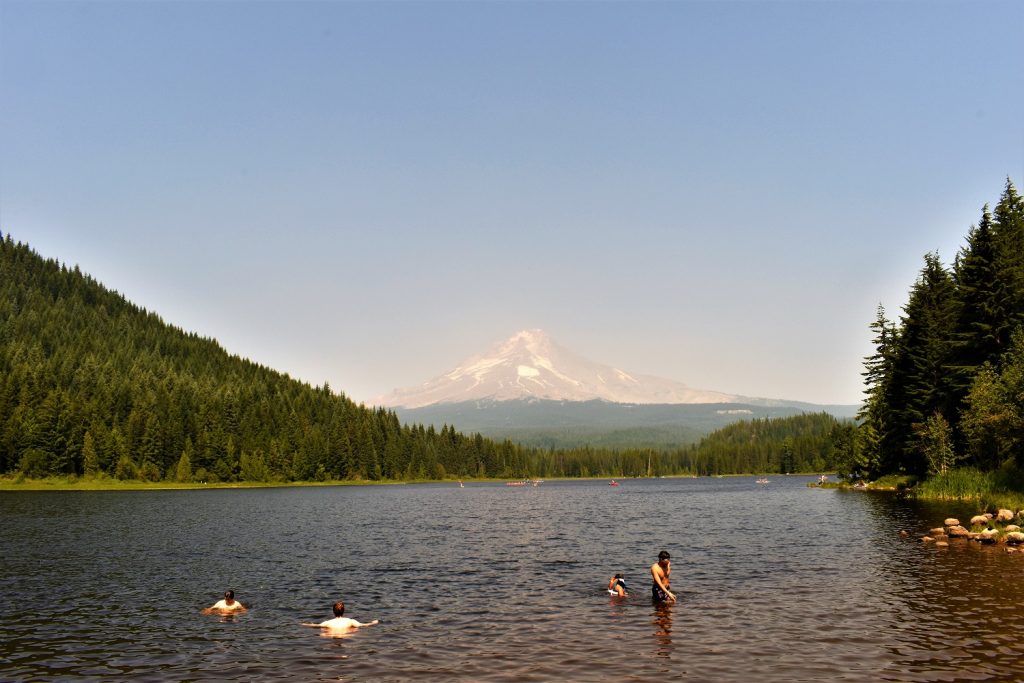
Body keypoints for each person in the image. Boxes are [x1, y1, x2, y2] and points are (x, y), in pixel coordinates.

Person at [303, 600, 379, 632]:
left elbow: (316, 625)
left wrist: (304, 624)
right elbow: (363, 625)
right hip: (346, 636)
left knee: (323, 632)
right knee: (355, 630)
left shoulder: (328, 623)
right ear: (343, 611)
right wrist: (374, 622)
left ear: (333, 612)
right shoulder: (350, 621)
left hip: (331, 634)